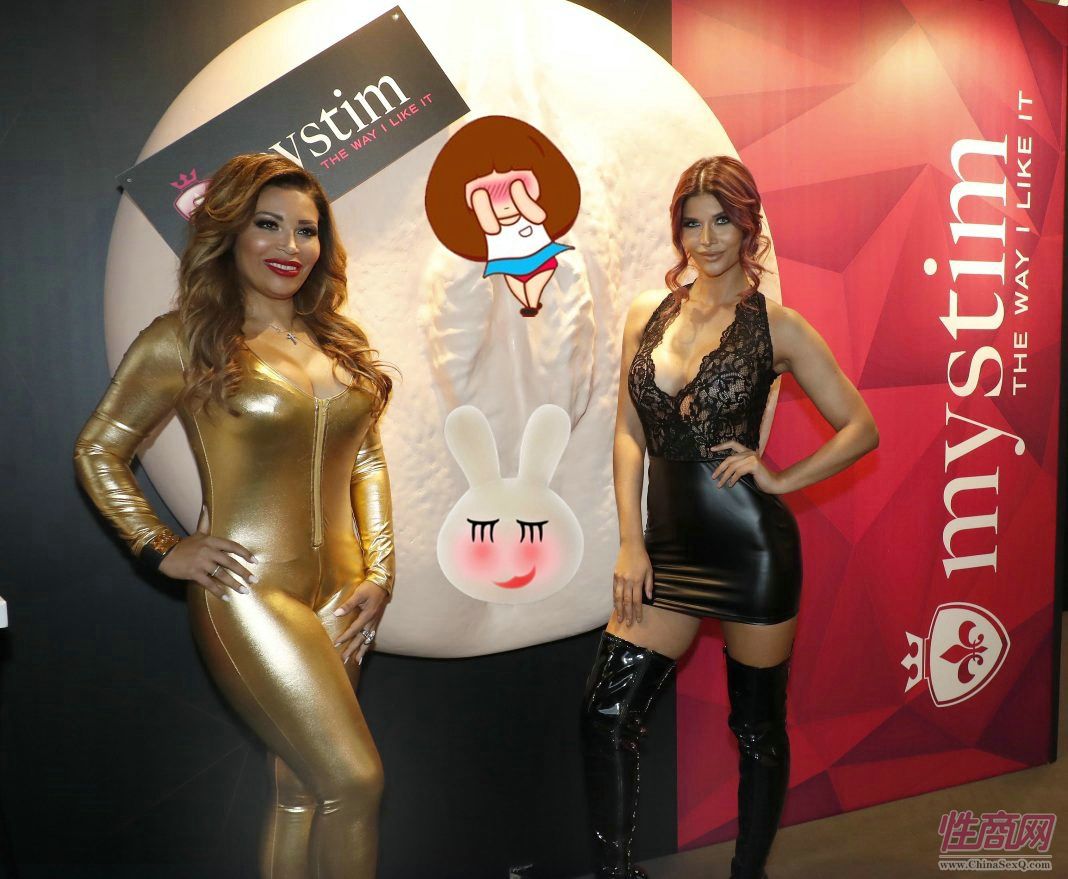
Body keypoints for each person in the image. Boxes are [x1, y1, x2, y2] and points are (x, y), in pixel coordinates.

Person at [74, 153, 395, 879]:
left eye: (306, 230)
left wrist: (381, 572)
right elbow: (98, 448)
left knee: (301, 790)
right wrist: (160, 545)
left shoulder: (337, 342)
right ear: (230, 232)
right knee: (354, 781)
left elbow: (368, 462)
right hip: (248, 590)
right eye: (268, 225)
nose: (290, 246)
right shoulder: (186, 338)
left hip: (346, 595)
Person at [580, 156, 878, 879]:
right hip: (665, 551)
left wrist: (780, 476)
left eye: (723, 220)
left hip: (753, 551)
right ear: (677, 229)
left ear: (749, 227)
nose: (707, 238)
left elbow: (860, 427)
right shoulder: (645, 314)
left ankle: (748, 873)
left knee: (756, 729)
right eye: (692, 222)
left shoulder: (779, 326)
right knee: (606, 713)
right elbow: (629, 433)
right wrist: (630, 543)